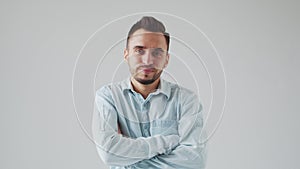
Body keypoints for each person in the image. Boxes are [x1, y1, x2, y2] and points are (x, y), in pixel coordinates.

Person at [92, 16, 207, 169]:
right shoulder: (108, 97)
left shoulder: (186, 101)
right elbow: (108, 154)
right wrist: (169, 141)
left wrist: (127, 162)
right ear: (126, 54)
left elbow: (194, 161)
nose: (147, 60)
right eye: (139, 50)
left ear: (166, 59)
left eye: (157, 52)